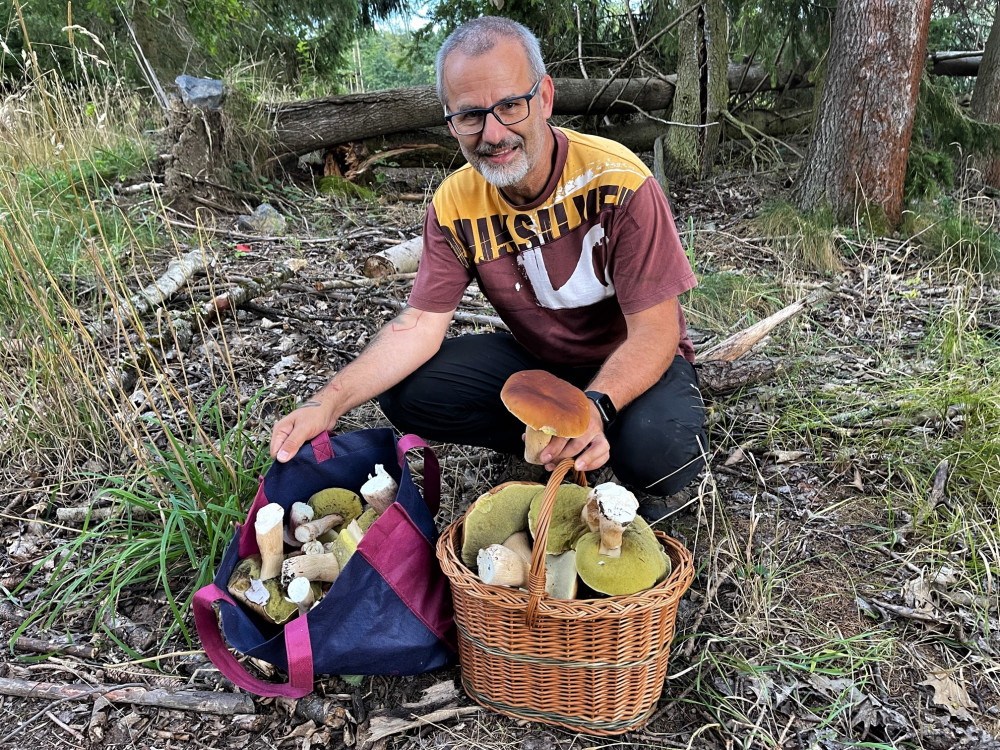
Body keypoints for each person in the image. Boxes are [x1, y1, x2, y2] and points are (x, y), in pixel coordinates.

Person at [270, 16, 707, 520]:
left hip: (631, 361)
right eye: (470, 116)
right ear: (449, 120)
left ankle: (596, 433)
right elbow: (418, 326)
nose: (493, 133)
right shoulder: (456, 202)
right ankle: (543, 441)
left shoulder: (619, 181)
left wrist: (595, 407)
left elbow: (655, 334)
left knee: (661, 457)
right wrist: (327, 403)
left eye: (509, 106)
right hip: (540, 363)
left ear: (543, 98)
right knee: (407, 392)